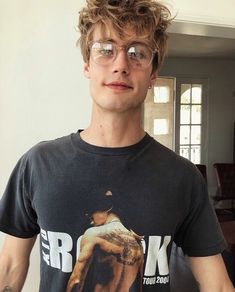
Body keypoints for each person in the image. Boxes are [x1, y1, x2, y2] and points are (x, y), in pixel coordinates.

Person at [0, 0, 234, 291]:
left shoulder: (183, 178)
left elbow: (219, 286)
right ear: (87, 64)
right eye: (105, 50)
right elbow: (9, 269)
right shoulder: (37, 165)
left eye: (138, 53)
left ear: (152, 74)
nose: (121, 65)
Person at [66, 190, 144, 292]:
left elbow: (76, 280)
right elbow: (139, 288)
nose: (90, 220)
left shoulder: (94, 234)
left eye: (91, 214)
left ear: (106, 208)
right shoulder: (138, 245)